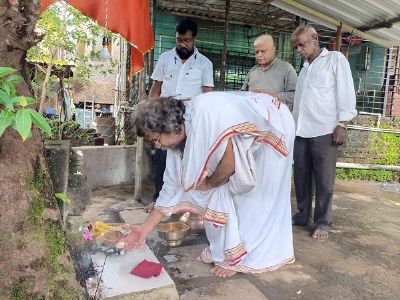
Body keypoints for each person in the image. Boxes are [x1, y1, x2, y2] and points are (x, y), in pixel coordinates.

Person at [122, 91, 295, 278]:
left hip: (273, 129)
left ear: (170, 128)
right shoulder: (177, 137)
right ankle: (228, 250)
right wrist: (143, 230)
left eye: (156, 139)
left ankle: (253, 258)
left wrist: (208, 184)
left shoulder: (204, 119)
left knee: (255, 200)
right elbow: (172, 187)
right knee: (227, 194)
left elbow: (228, 166)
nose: (157, 146)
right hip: (250, 127)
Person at [291, 25, 357, 240]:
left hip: (325, 130)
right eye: (296, 46)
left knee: (324, 180)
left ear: (315, 39)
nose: (299, 49)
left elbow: (346, 91)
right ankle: (302, 215)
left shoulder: (335, 60)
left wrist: (343, 123)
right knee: (301, 177)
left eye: (302, 44)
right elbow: (299, 102)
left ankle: (323, 222)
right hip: (301, 131)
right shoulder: (304, 68)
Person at [146, 18, 214, 212]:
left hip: (191, 117)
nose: (182, 44)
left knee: (189, 158)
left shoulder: (204, 64)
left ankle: (187, 203)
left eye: (186, 40)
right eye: (178, 40)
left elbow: (208, 95)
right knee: (161, 158)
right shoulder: (165, 58)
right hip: (165, 115)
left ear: (195, 40)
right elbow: (156, 88)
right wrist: (152, 112)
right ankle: (159, 199)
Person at [241, 34, 297, 106]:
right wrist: (250, 94)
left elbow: (295, 96)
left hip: (275, 116)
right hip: (253, 115)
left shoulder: (287, 69)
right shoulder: (253, 71)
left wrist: (269, 96)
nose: (259, 55)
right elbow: (242, 94)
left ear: (273, 49)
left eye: (263, 51)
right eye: (257, 52)